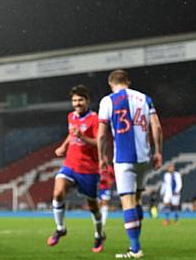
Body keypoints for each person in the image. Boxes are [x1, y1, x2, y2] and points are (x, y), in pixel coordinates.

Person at [97, 70, 163, 259]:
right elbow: (156, 126)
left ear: (111, 84)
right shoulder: (145, 98)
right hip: (144, 158)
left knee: (127, 201)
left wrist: (102, 157)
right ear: (128, 82)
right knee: (138, 200)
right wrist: (158, 152)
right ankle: (135, 244)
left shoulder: (108, 101)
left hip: (124, 159)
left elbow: (101, 134)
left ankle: (135, 249)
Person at [47, 84, 104, 253]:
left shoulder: (95, 119)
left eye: (80, 100)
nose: (77, 103)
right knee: (58, 192)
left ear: (87, 101)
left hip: (89, 169)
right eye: (74, 100)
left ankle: (99, 234)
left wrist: (83, 137)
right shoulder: (71, 116)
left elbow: (99, 142)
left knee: (93, 206)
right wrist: (63, 146)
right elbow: (71, 134)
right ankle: (60, 228)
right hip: (70, 164)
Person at [98, 164, 115, 228]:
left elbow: (113, 176)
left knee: (104, 203)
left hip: (106, 188)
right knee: (99, 204)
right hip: (100, 189)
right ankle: (99, 220)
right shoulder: (99, 168)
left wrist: (111, 181)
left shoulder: (109, 168)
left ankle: (103, 222)